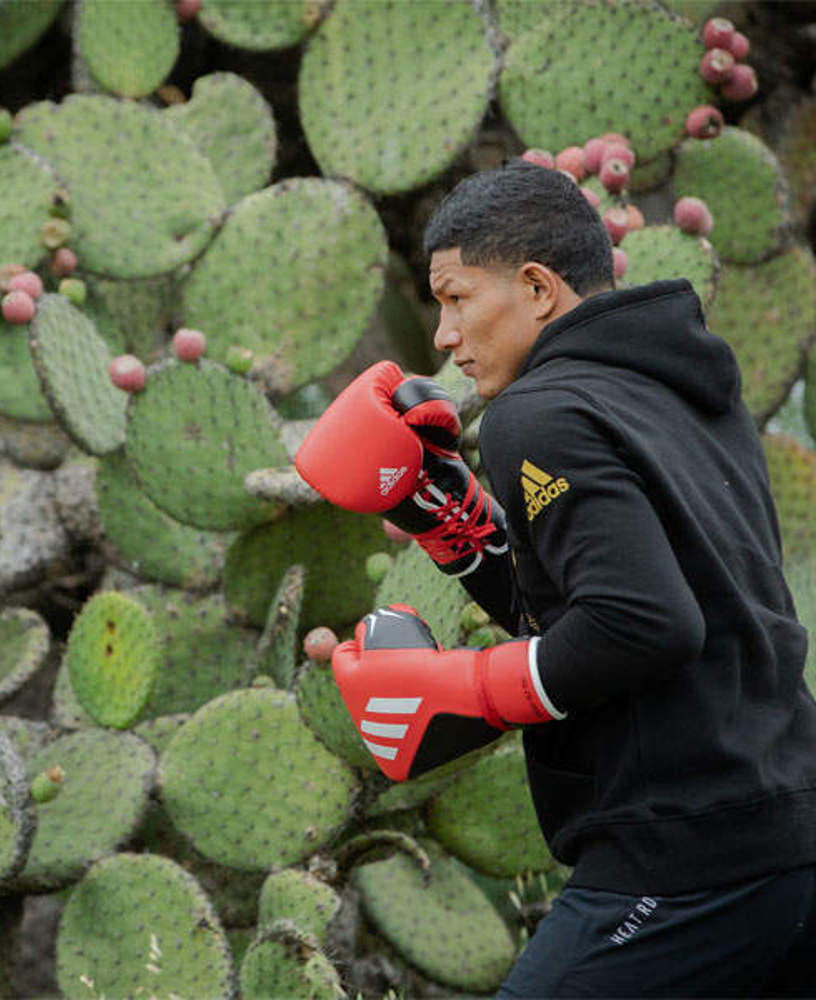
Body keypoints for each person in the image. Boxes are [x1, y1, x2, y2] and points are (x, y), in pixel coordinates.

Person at [294, 160, 816, 996]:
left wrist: (470, 686)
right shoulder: (685, 391)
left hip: (680, 859)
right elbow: (606, 597)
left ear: (536, 288)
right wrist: (447, 515)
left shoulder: (536, 414)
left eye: (458, 297)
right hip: (788, 827)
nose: (442, 334)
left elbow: (642, 623)